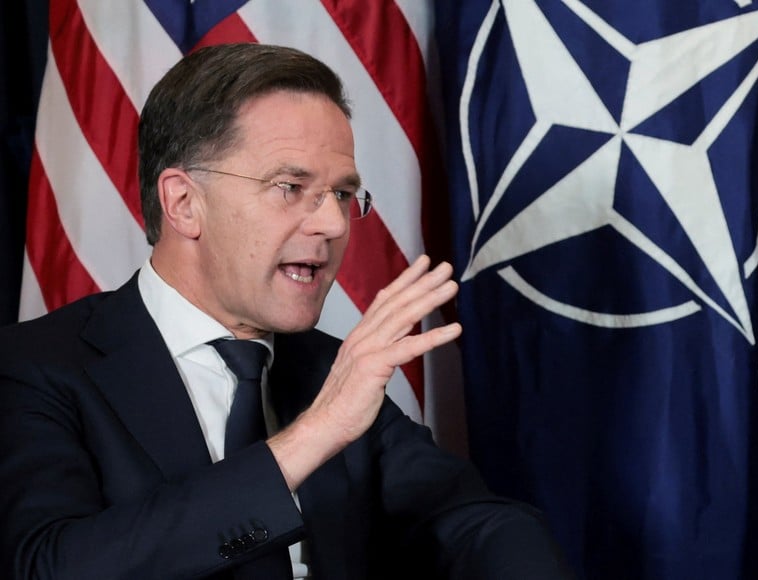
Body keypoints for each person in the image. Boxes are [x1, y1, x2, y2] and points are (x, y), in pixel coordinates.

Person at [0, 43, 573, 579]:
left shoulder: (330, 369)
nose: (333, 223)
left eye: (343, 194)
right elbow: (52, 564)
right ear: (183, 203)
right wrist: (315, 434)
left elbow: (472, 523)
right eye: (290, 186)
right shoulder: (33, 366)